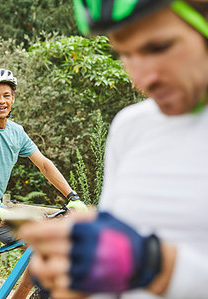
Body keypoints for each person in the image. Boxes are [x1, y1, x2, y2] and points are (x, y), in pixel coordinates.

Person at [19, 1, 208, 298]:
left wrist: (157, 267)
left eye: (158, 47)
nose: (142, 80)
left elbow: (135, 262)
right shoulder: (131, 126)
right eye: (124, 54)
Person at [0, 68, 85, 298]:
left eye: (6, 95)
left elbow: (44, 165)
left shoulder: (16, 132)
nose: (2, 101)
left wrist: (72, 197)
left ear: (13, 98)